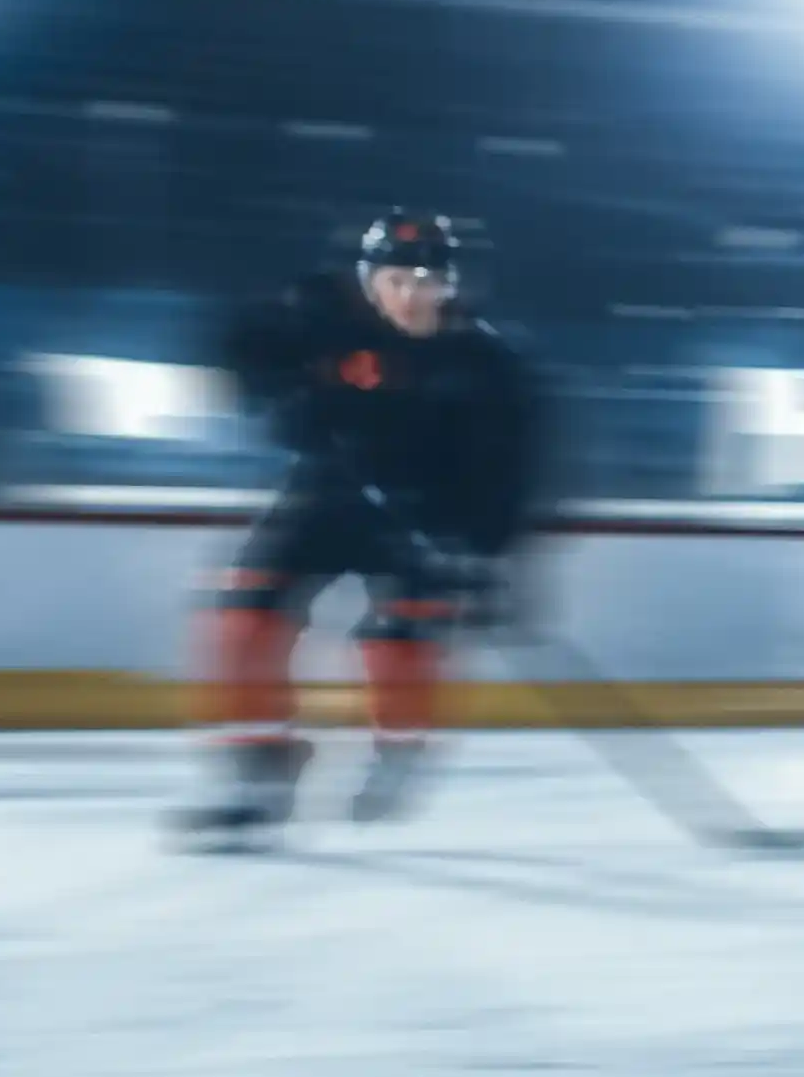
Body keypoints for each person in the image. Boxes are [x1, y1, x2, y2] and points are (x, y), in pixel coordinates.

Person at [181, 211, 539, 844]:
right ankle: (261, 769)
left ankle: (398, 746)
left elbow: (509, 474)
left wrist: (485, 557)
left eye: (426, 281)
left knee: (401, 638)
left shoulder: (484, 366)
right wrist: (282, 372)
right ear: (368, 280)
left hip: (427, 517)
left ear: (451, 285)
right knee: (244, 614)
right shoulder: (328, 324)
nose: (409, 295)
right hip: (327, 496)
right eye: (394, 280)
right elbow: (243, 354)